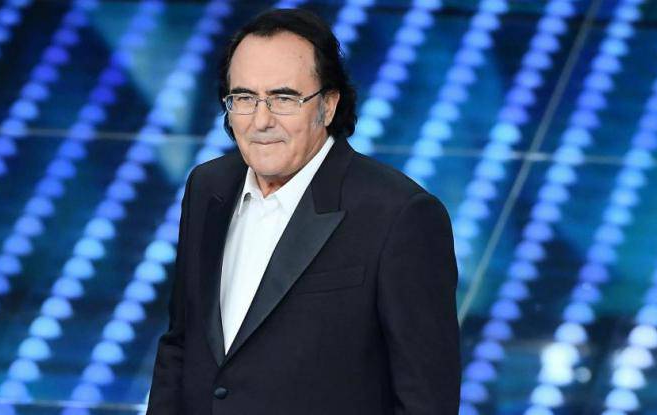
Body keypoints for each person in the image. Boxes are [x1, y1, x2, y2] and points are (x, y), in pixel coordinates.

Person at [147, 8, 459, 415]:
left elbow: (426, 400)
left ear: (328, 105)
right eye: (244, 98)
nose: (261, 121)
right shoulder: (208, 188)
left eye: (283, 98)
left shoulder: (400, 216)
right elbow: (180, 346)